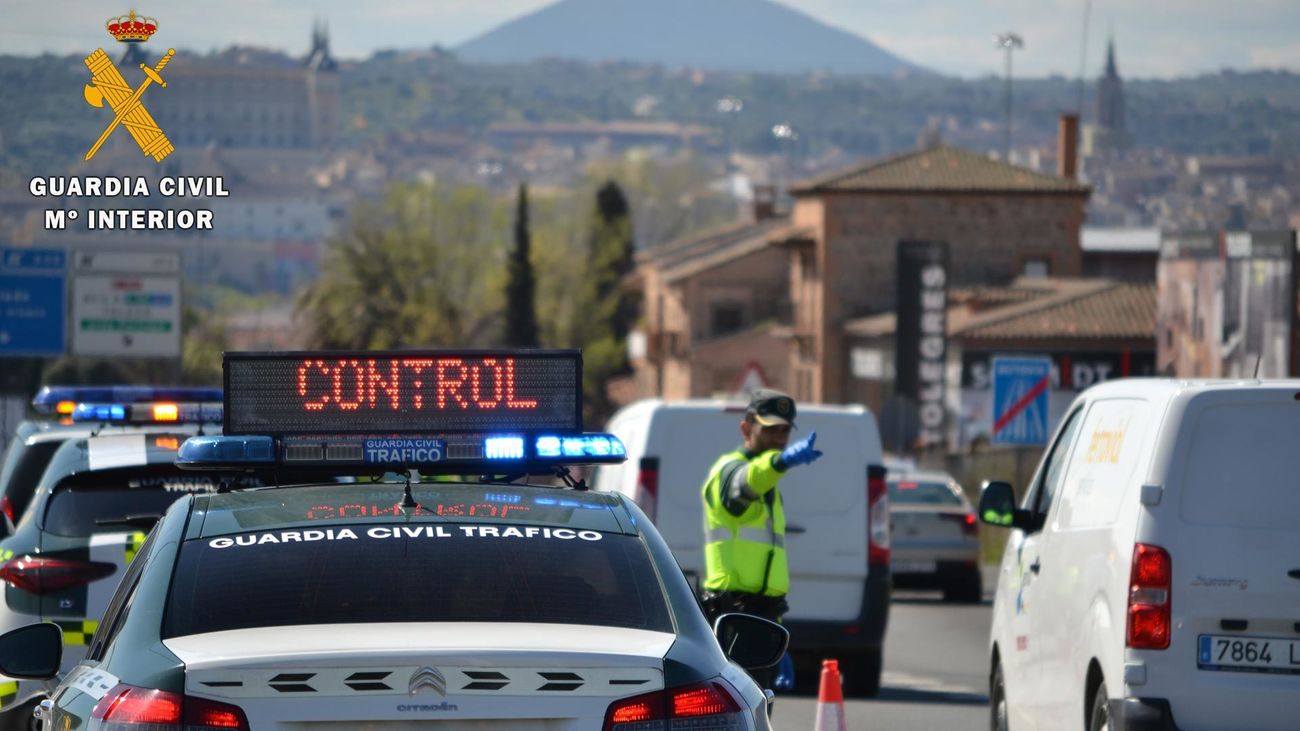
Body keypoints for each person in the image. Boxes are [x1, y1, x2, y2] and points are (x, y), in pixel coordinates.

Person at [699, 389, 823, 689]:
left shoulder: (768, 484)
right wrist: (780, 463)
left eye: (784, 430)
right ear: (746, 428)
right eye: (770, 430)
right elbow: (745, 483)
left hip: (760, 617)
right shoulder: (728, 472)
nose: (779, 438)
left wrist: (776, 636)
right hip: (735, 617)